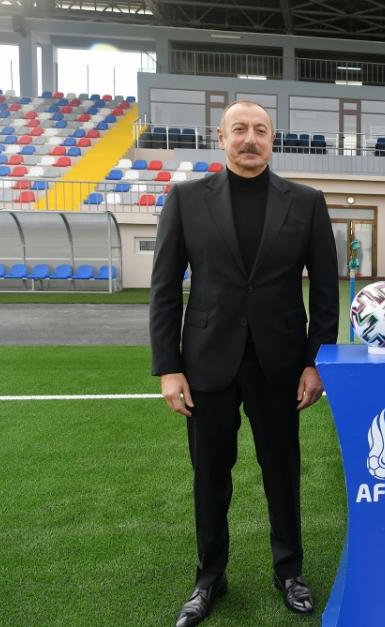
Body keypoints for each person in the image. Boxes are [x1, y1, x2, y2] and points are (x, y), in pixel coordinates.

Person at [149, 99, 338, 625]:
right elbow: (164, 289)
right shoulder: (186, 199)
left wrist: (315, 361)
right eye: (239, 129)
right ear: (221, 137)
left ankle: (289, 571)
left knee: (283, 474)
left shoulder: (306, 202)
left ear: (273, 139)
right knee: (210, 477)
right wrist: (169, 367)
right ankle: (209, 577)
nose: (250, 138)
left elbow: (326, 290)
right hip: (206, 364)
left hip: (281, 365)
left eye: (259, 130)